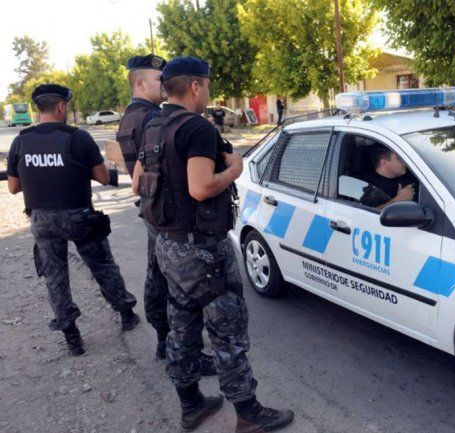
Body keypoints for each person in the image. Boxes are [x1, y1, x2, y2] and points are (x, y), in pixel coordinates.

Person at [132, 56, 293, 432]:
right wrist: (234, 169)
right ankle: (248, 413)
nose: (208, 92)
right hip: (202, 250)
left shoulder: (154, 124)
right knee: (228, 329)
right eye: (206, 86)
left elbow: (139, 182)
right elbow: (201, 187)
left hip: (168, 247)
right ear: (194, 87)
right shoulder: (196, 128)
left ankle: (191, 405)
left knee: (183, 324)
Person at [6, 84, 140, 356]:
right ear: (61, 107)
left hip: (42, 220)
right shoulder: (78, 138)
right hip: (78, 215)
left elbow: (13, 187)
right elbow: (103, 178)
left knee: (55, 278)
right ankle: (126, 313)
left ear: (38, 108)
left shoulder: (21, 141)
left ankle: (72, 337)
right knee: (102, 266)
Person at [117, 54, 217, 374]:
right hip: (169, 213)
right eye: (157, 80)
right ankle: (173, 344)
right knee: (174, 285)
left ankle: (167, 341)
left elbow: (137, 177)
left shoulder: (132, 117)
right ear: (140, 83)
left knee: (160, 275)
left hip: (153, 207)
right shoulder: (151, 119)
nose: (162, 87)